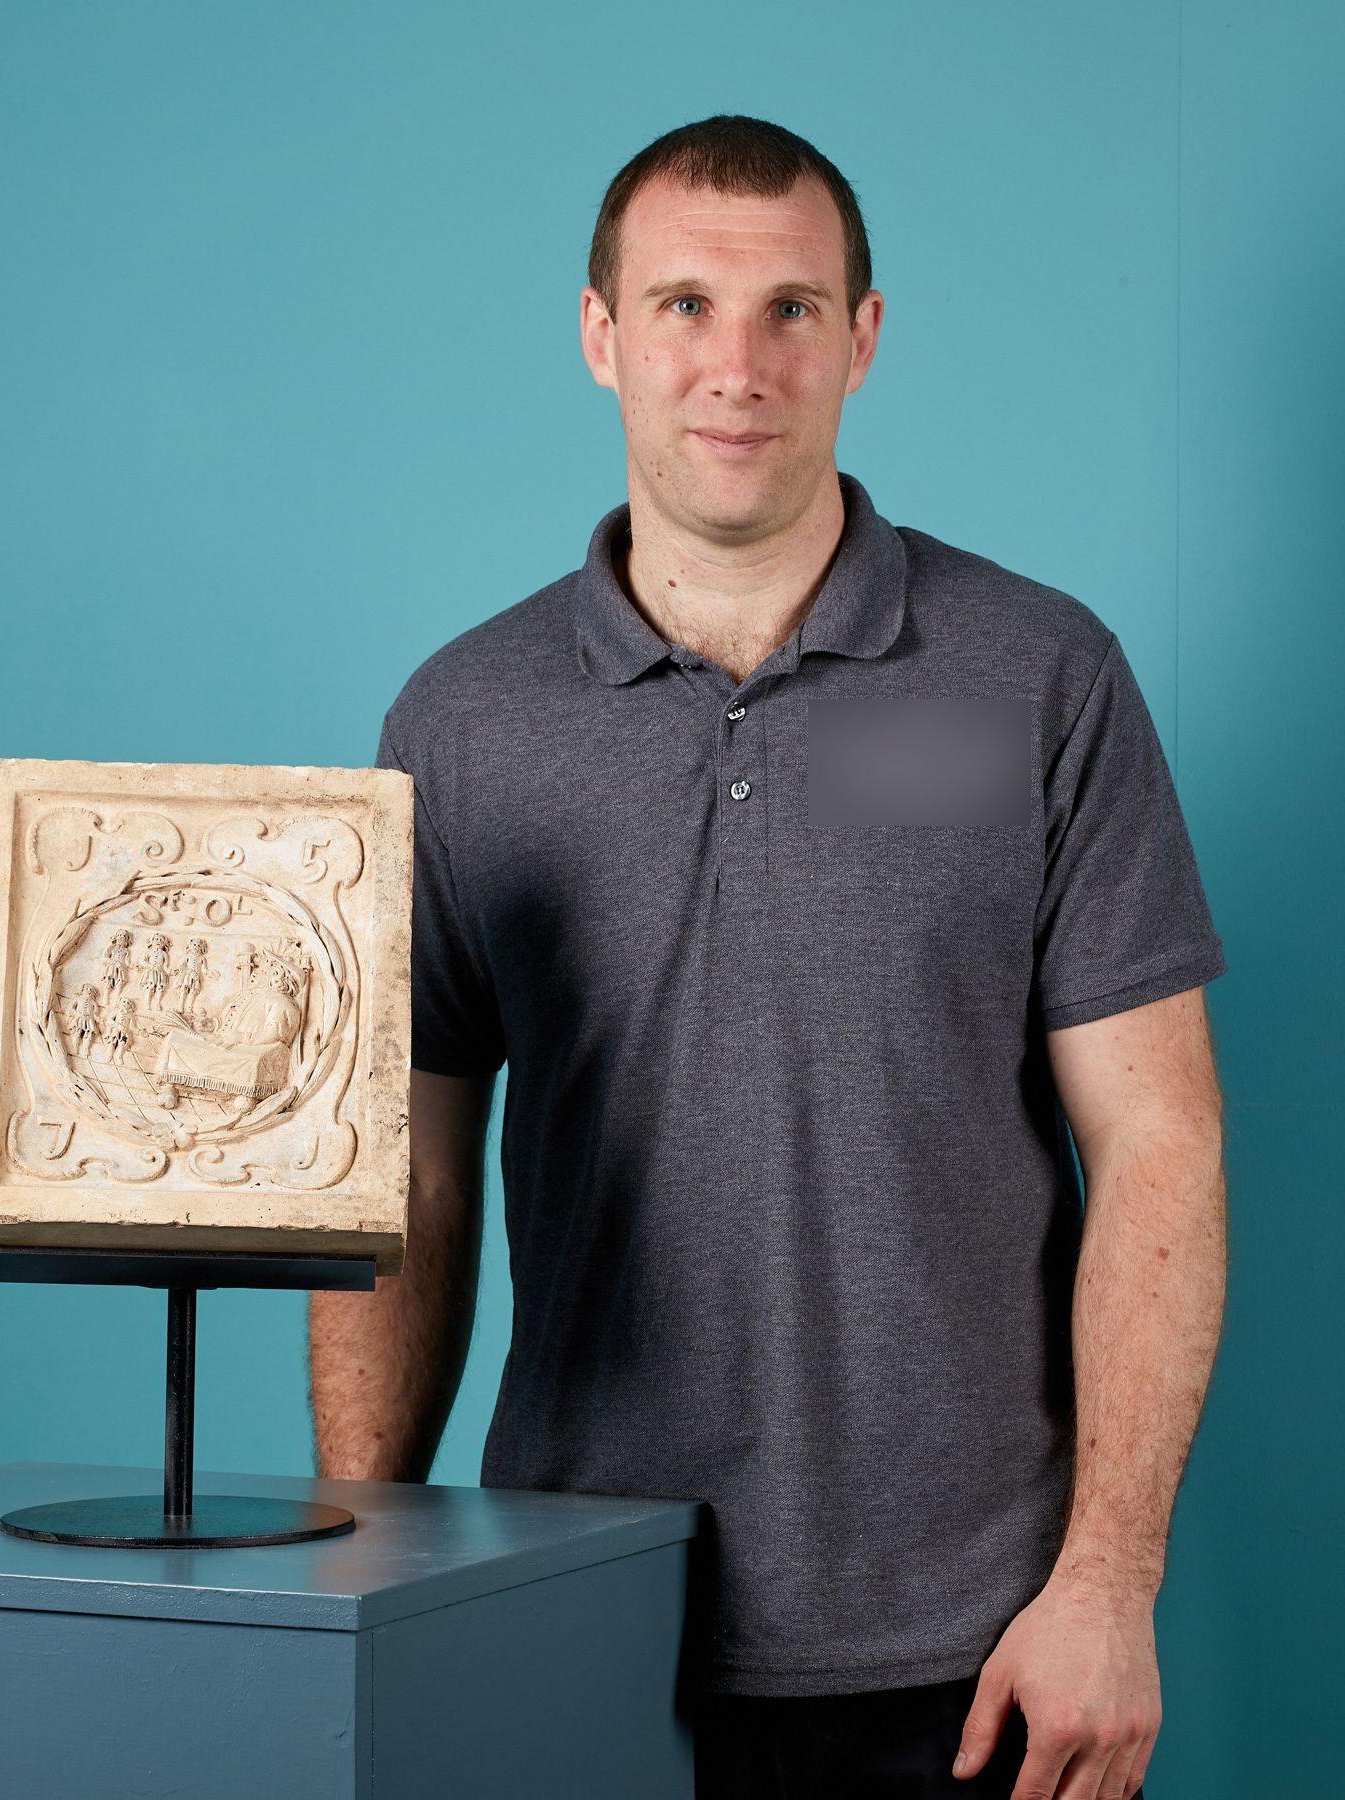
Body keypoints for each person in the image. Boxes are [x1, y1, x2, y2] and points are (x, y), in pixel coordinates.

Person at [308, 114, 1226, 1800]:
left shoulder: (1039, 677)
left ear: (864, 339)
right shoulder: (461, 720)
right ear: (599, 334)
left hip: (977, 1650)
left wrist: (1109, 1583)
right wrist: (365, 1563)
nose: (737, 366)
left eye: (793, 310)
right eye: (682, 307)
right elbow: (403, 1177)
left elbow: (1157, 1141)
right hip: (557, 1608)